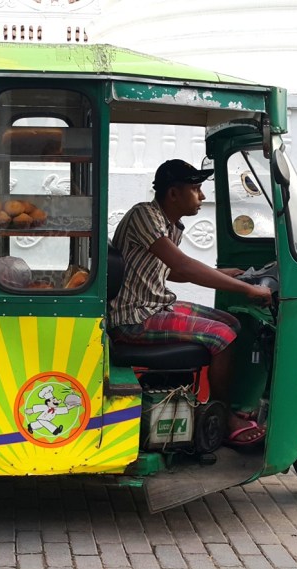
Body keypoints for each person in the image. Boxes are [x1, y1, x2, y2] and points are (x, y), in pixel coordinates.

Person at [109, 159, 273, 446]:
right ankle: (223, 417)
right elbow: (183, 267)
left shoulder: (169, 223)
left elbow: (170, 270)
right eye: (196, 189)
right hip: (134, 317)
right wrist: (247, 289)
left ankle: (231, 403)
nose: (202, 196)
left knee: (231, 322)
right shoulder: (145, 216)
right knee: (223, 337)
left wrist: (225, 275)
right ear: (173, 193)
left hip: (153, 305)